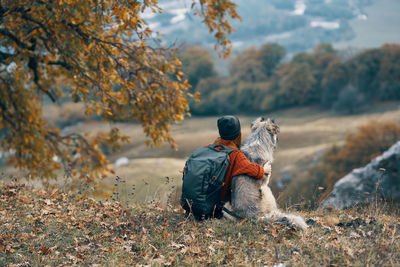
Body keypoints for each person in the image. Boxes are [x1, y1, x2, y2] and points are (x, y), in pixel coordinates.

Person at [211, 115, 271, 218]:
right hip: (216, 203)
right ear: (238, 134)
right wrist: (263, 170)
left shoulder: (213, 147)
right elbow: (249, 168)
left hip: (204, 199)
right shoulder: (236, 154)